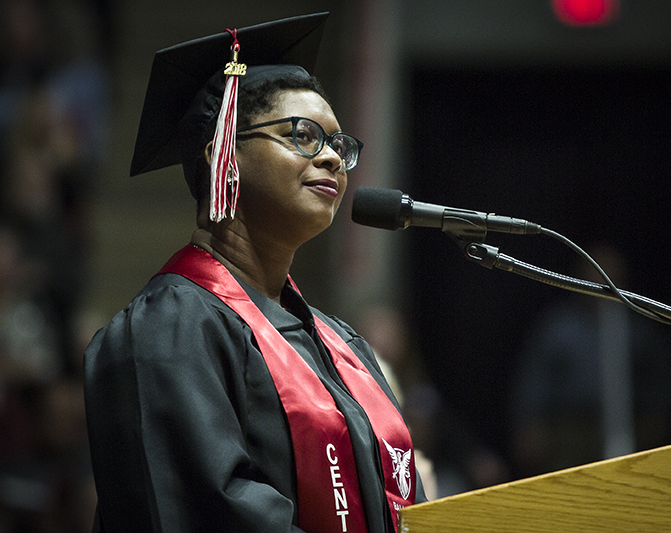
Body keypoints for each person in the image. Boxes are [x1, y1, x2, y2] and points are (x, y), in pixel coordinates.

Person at [83, 13, 425, 533]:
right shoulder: (168, 331)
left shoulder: (342, 346)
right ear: (225, 155)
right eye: (304, 136)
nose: (333, 159)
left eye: (339, 145)